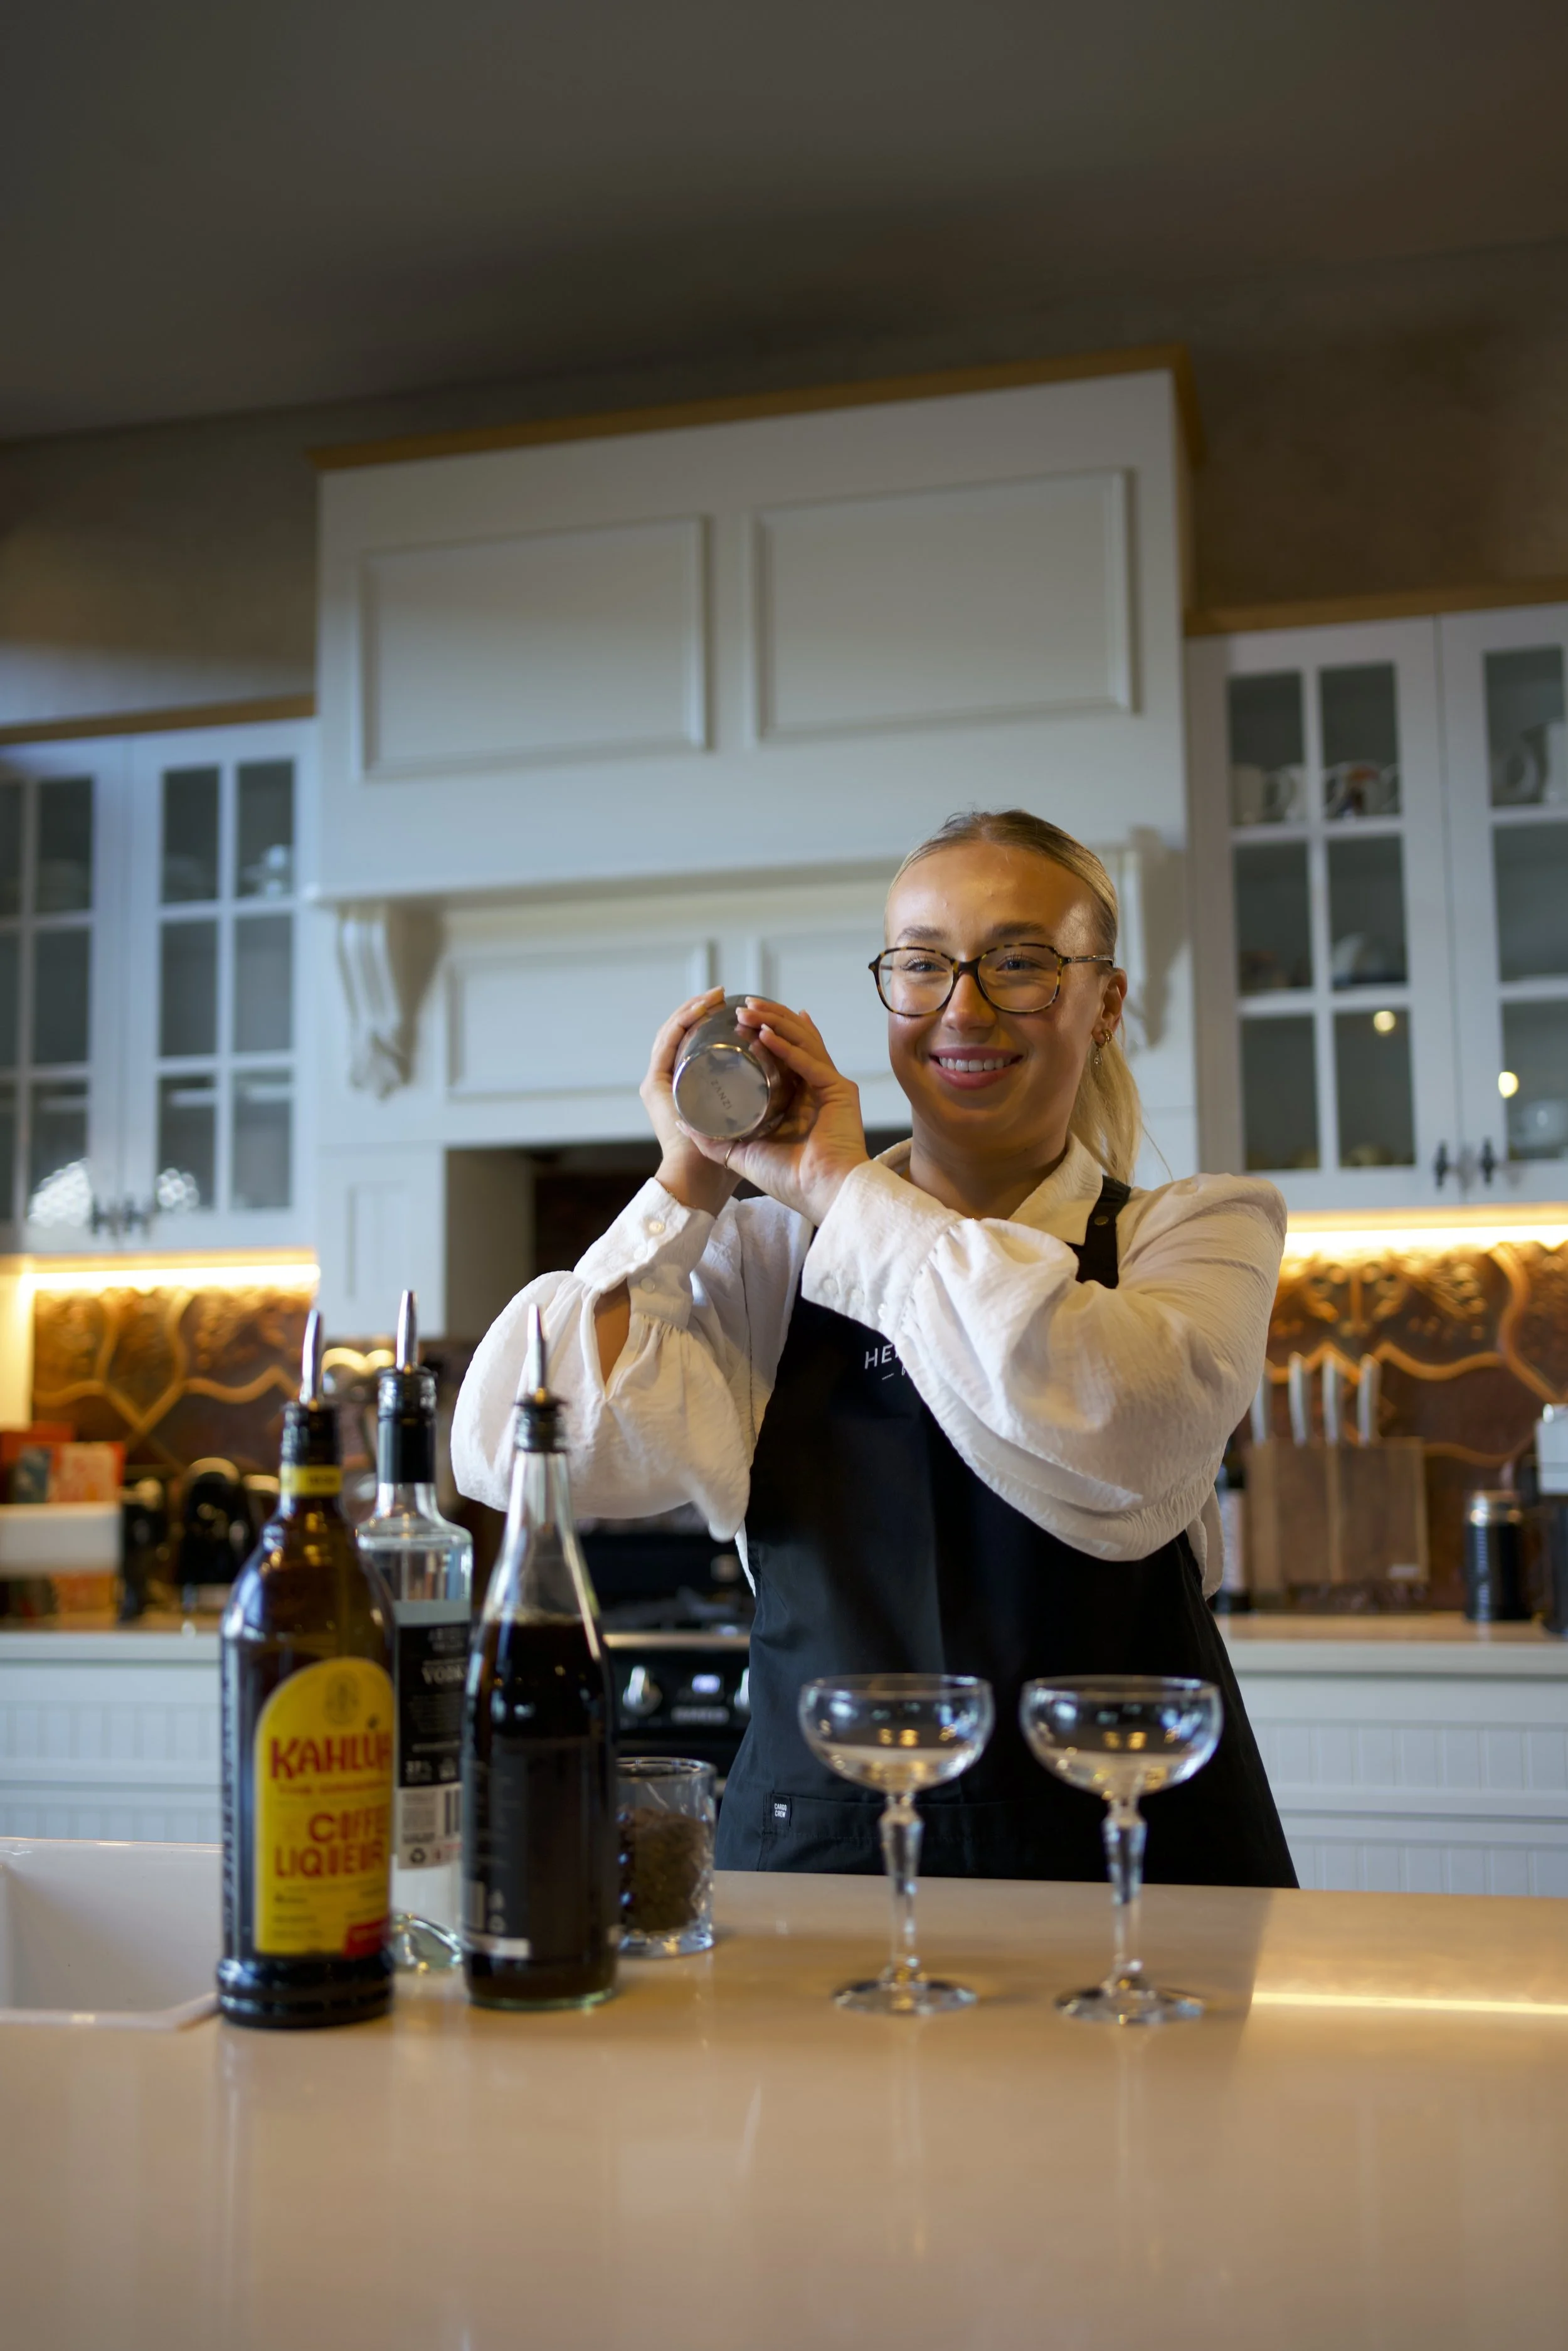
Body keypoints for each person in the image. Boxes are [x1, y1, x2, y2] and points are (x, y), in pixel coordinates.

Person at [453, 809, 1296, 1887]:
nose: (965, 1008)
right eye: (923, 965)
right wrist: (685, 1183)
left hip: (1136, 1873)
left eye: (1021, 963)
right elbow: (540, 1454)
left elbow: (1122, 1421)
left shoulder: (1193, 1230)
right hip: (822, 1875)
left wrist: (845, 1192)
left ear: (1105, 1004)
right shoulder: (770, 1254)